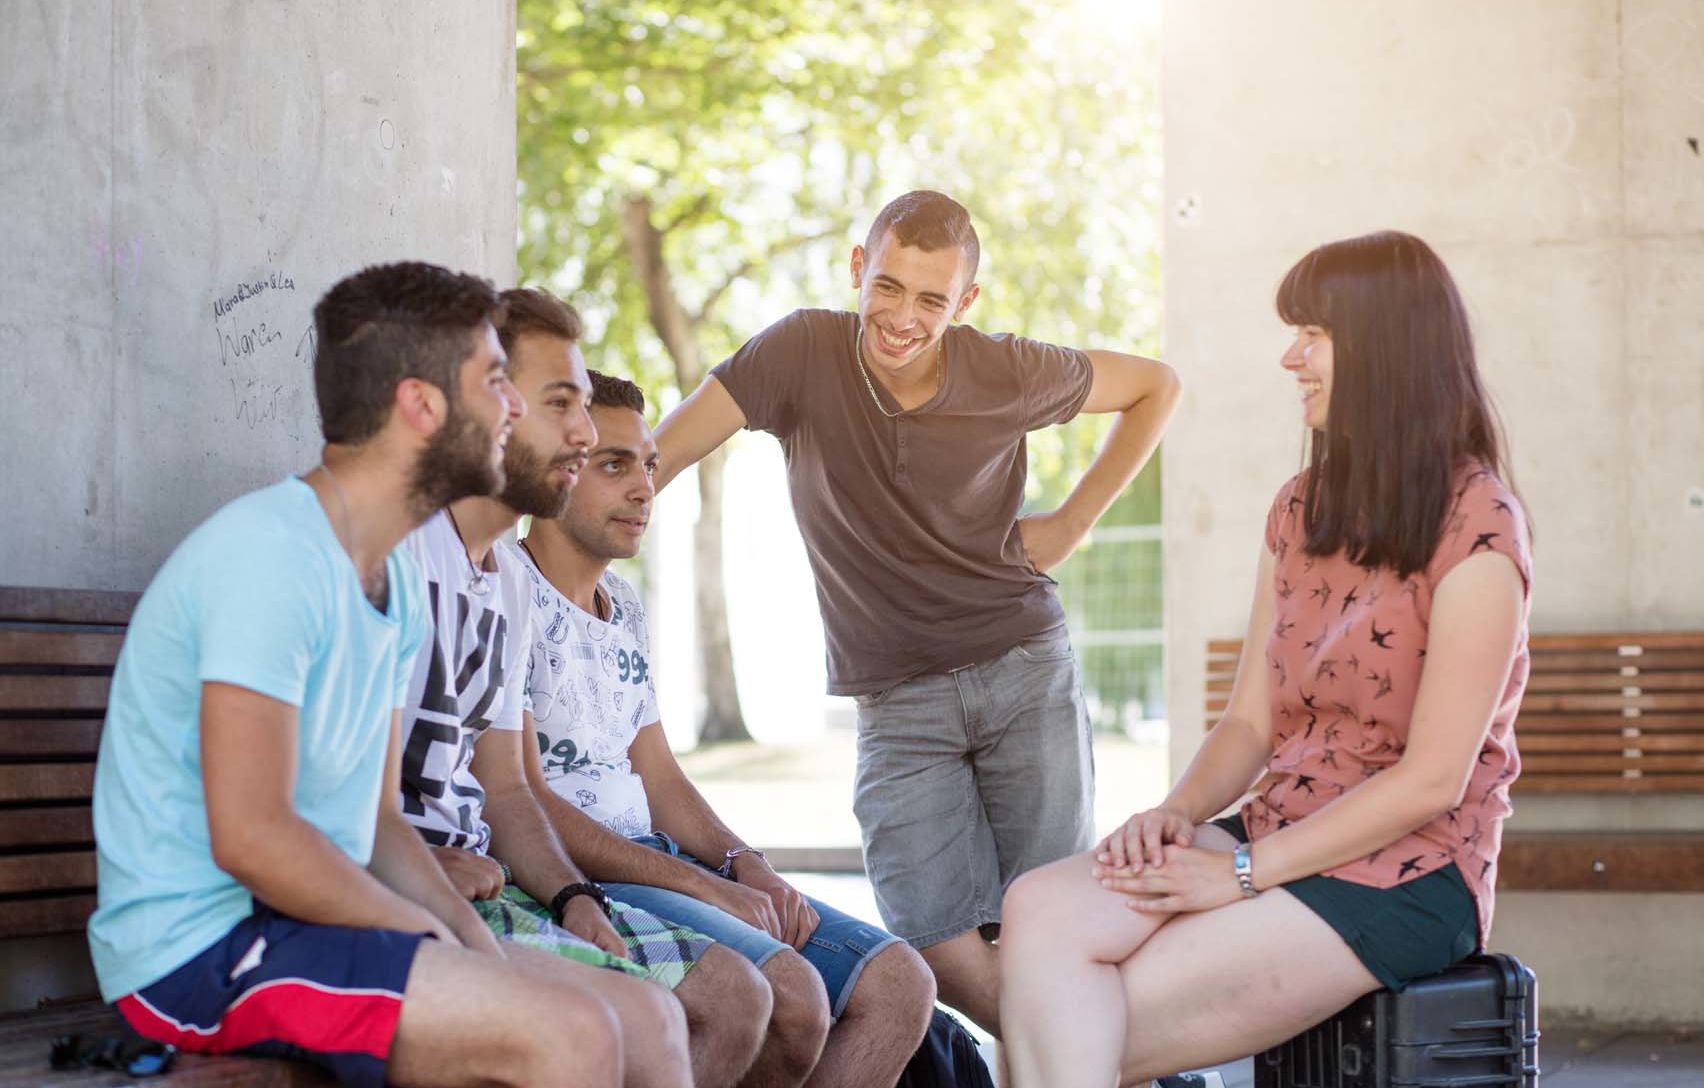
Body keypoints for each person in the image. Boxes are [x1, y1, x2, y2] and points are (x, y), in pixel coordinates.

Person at [88, 262, 687, 1088]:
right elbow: (254, 836)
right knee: (570, 1034)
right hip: (198, 954)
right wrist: (432, 938)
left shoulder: (394, 577)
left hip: (313, 928)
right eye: (496, 383)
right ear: (422, 406)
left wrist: (477, 949)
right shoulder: (272, 555)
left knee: (646, 1021)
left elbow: (376, 824)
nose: (515, 407)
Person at [998, 230, 1533, 1088]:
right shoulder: (1299, 509)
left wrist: (1238, 876)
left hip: (1412, 869)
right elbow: (1251, 722)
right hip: (1281, 825)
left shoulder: (1479, 531)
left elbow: (1433, 780)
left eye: (1313, 334)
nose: (1291, 357)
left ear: (1386, 350)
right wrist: (1175, 817)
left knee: (1068, 1023)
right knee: (1037, 914)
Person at [652, 190, 1183, 1032]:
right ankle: (1132, 1062)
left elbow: (1155, 385)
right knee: (932, 932)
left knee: (1049, 927)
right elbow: (661, 454)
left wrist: (1073, 523)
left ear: (964, 303)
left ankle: (1090, 1061)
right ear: (859, 268)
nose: (903, 317)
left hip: (1024, 670)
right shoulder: (800, 352)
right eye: (889, 287)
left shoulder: (1006, 369)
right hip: (898, 704)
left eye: (931, 299)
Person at [512, 372, 938, 1088]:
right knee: (791, 1001)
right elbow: (527, 802)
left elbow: (660, 773)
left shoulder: (623, 603)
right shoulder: (508, 592)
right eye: (614, 464)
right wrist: (706, 887)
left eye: (648, 464)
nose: (645, 487)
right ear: (558, 463)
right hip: (576, 872)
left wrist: (744, 860)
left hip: (656, 856)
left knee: (901, 984)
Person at [396, 287, 769, 1088]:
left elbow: (504, 788)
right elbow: (330, 801)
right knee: (625, 1024)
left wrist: (572, 896)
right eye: (559, 404)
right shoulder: (391, 556)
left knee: (710, 1004)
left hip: (490, 882)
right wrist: (432, 870)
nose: (581, 432)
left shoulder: (498, 584)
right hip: (404, 894)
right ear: (478, 404)